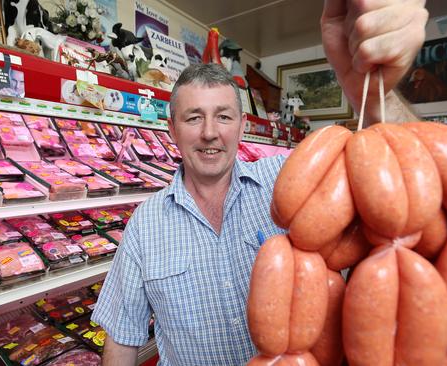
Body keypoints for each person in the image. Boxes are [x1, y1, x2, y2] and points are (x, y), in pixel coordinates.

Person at [91, 0, 429, 365]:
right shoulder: (145, 225)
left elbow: (406, 186)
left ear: (242, 126)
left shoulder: (286, 179)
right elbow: (123, 339)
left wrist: (377, 92)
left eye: (223, 116)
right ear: (171, 129)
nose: (209, 133)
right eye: (193, 118)